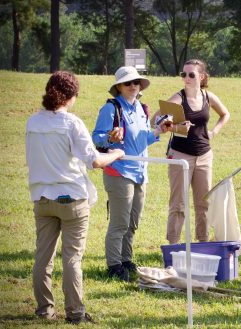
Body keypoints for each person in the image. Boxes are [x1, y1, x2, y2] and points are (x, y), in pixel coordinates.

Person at [26, 71, 124, 324]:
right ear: (70, 97)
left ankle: (44, 310)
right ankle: (75, 312)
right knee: (72, 258)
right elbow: (95, 161)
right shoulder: (71, 123)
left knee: (43, 257)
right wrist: (116, 154)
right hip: (72, 198)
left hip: (42, 198)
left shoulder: (33, 122)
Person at [92, 66, 168, 281]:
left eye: (136, 82)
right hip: (119, 172)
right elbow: (96, 138)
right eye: (128, 83)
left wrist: (158, 132)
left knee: (133, 222)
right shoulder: (111, 108)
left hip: (140, 172)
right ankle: (114, 265)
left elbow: (143, 138)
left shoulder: (141, 109)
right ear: (119, 87)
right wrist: (111, 138)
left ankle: (126, 259)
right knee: (119, 223)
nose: (133, 86)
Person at [153, 59, 230, 245]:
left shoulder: (207, 96)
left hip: (204, 155)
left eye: (191, 75)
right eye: (184, 74)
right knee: (178, 203)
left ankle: (202, 242)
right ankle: (173, 245)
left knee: (203, 202)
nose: (186, 78)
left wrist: (213, 132)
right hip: (180, 155)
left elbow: (225, 114)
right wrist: (176, 127)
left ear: (201, 76)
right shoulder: (178, 98)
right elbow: (155, 119)